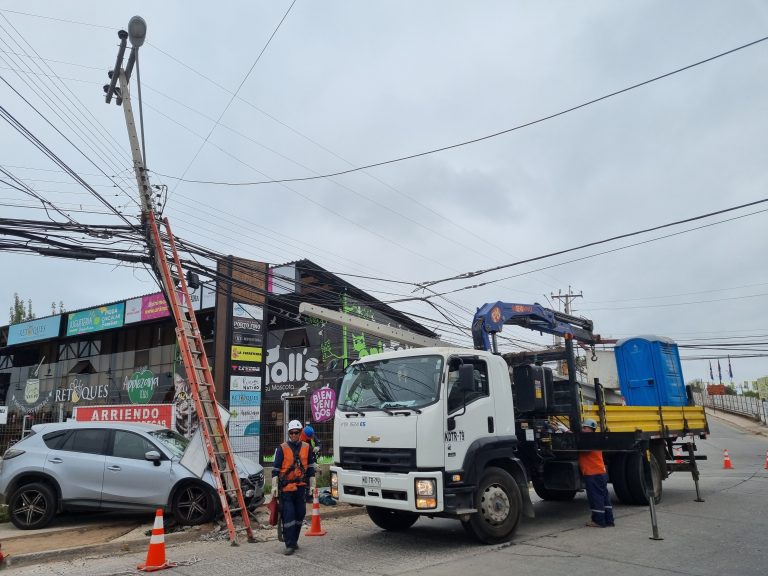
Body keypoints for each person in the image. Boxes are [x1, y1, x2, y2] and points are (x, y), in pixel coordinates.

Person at [271, 420, 316, 555]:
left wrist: (313, 485)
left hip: (301, 488)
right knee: (289, 516)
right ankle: (289, 544)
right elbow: (275, 469)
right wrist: (274, 486)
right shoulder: (282, 448)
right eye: (291, 433)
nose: (294, 435)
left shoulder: (307, 448)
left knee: (300, 514)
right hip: (286, 489)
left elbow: (311, 468)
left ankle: (294, 541)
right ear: (289, 433)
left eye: (296, 432)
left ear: (300, 432)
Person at [578, 418, 614, 528]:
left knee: (596, 497)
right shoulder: (595, 438)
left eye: (585, 428)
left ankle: (598, 521)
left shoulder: (588, 440)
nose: (583, 430)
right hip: (600, 472)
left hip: (593, 473)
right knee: (604, 496)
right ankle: (609, 520)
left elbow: (582, 449)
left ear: (591, 429)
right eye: (583, 428)